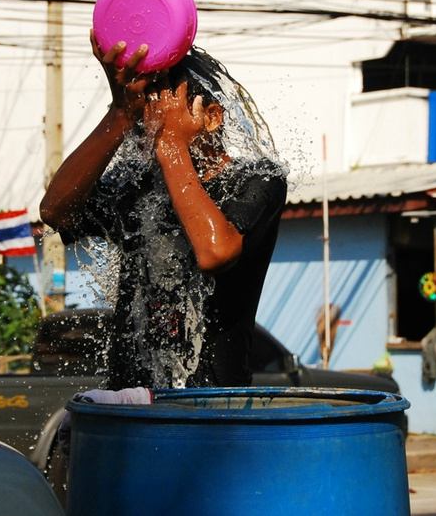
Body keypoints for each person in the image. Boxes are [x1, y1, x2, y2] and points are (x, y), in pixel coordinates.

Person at [39, 31, 287, 390]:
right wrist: (121, 114)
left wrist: (172, 143)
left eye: (164, 113)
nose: (152, 127)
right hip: (131, 403)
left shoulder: (255, 180)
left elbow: (216, 251)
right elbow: (55, 211)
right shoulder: (138, 186)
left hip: (213, 408)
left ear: (212, 117)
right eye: (146, 116)